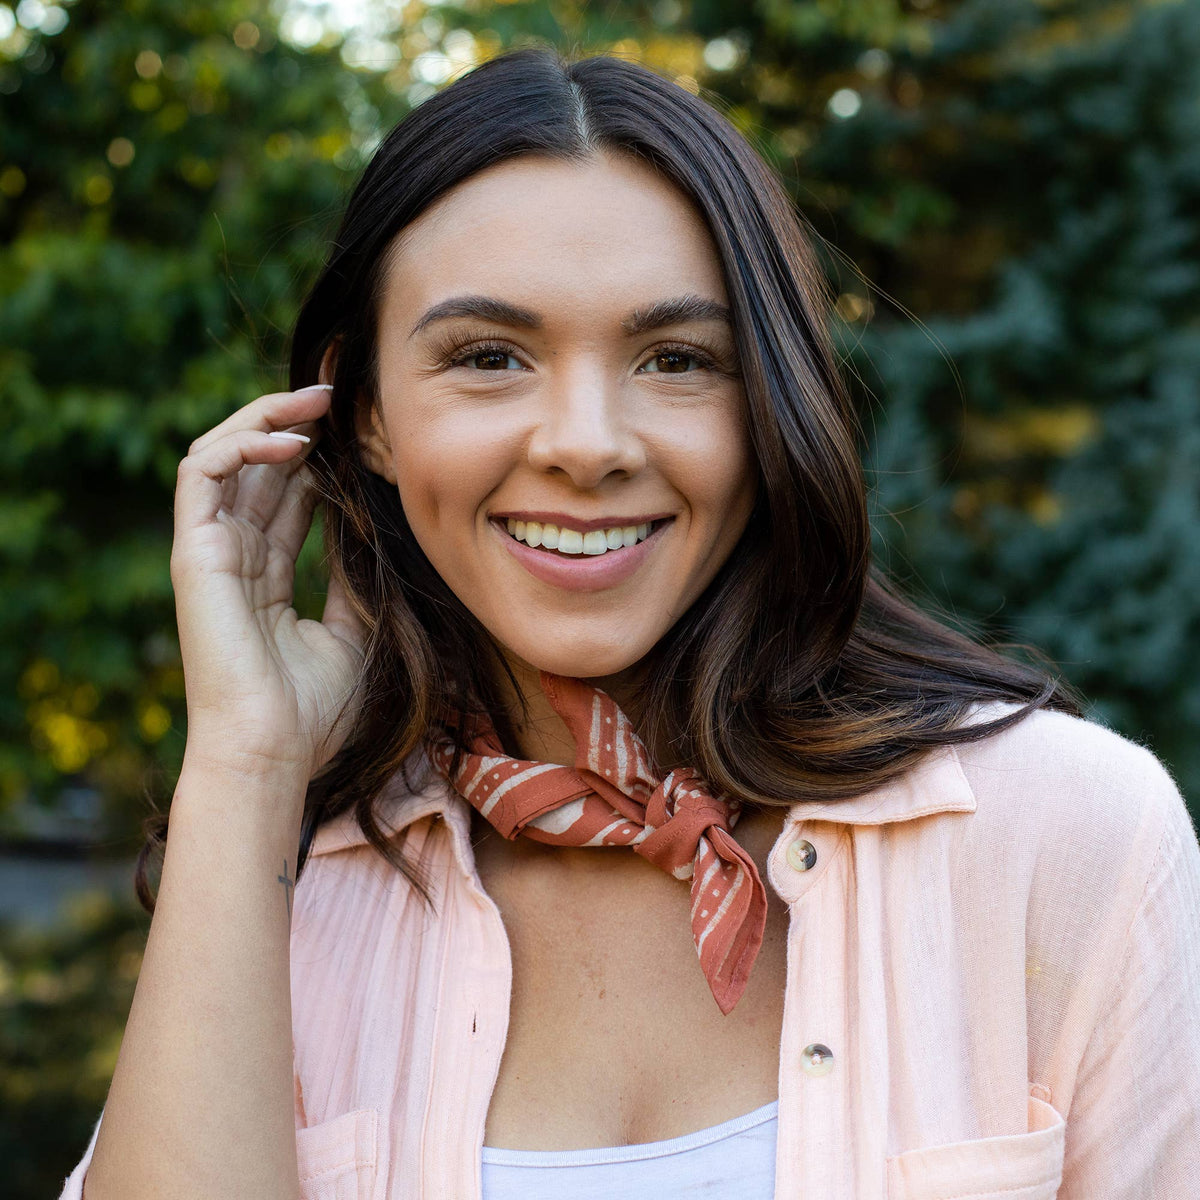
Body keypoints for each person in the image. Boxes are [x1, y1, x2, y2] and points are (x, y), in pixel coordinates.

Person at [60, 47, 1199, 1200]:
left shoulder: (1067, 838)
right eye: (490, 357)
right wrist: (248, 768)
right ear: (367, 415)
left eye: (677, 359)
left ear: (769, 404)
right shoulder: (284, 886)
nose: (588, 442)